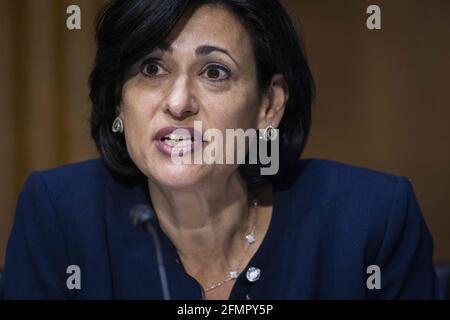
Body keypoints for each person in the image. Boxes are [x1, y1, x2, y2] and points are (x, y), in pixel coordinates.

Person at [1, 0, 442, 299]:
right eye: (152, 68)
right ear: (119, 99)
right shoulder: (59, 215)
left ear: (268, 105)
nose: (177, 103)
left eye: (214, 72)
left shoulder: (371, 221)